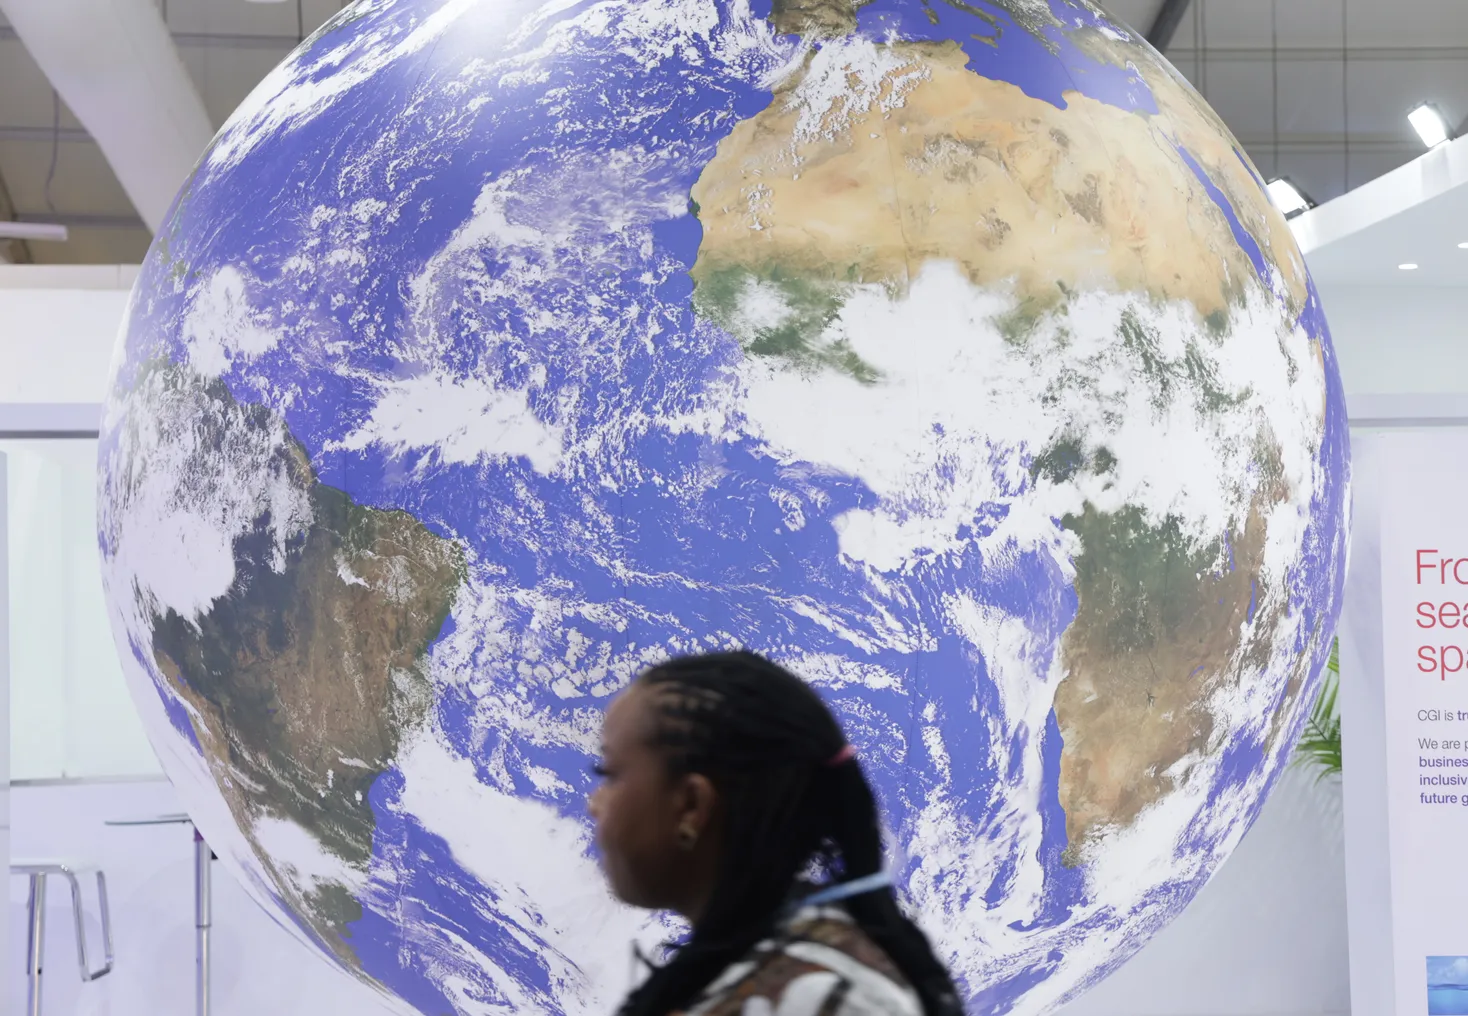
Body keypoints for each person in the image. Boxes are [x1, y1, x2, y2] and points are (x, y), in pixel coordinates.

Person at [589, 650, 963, 1016]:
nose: (595, 803)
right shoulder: (737, 971)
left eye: (609, 773)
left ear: (691, 806)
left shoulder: (823, 997)